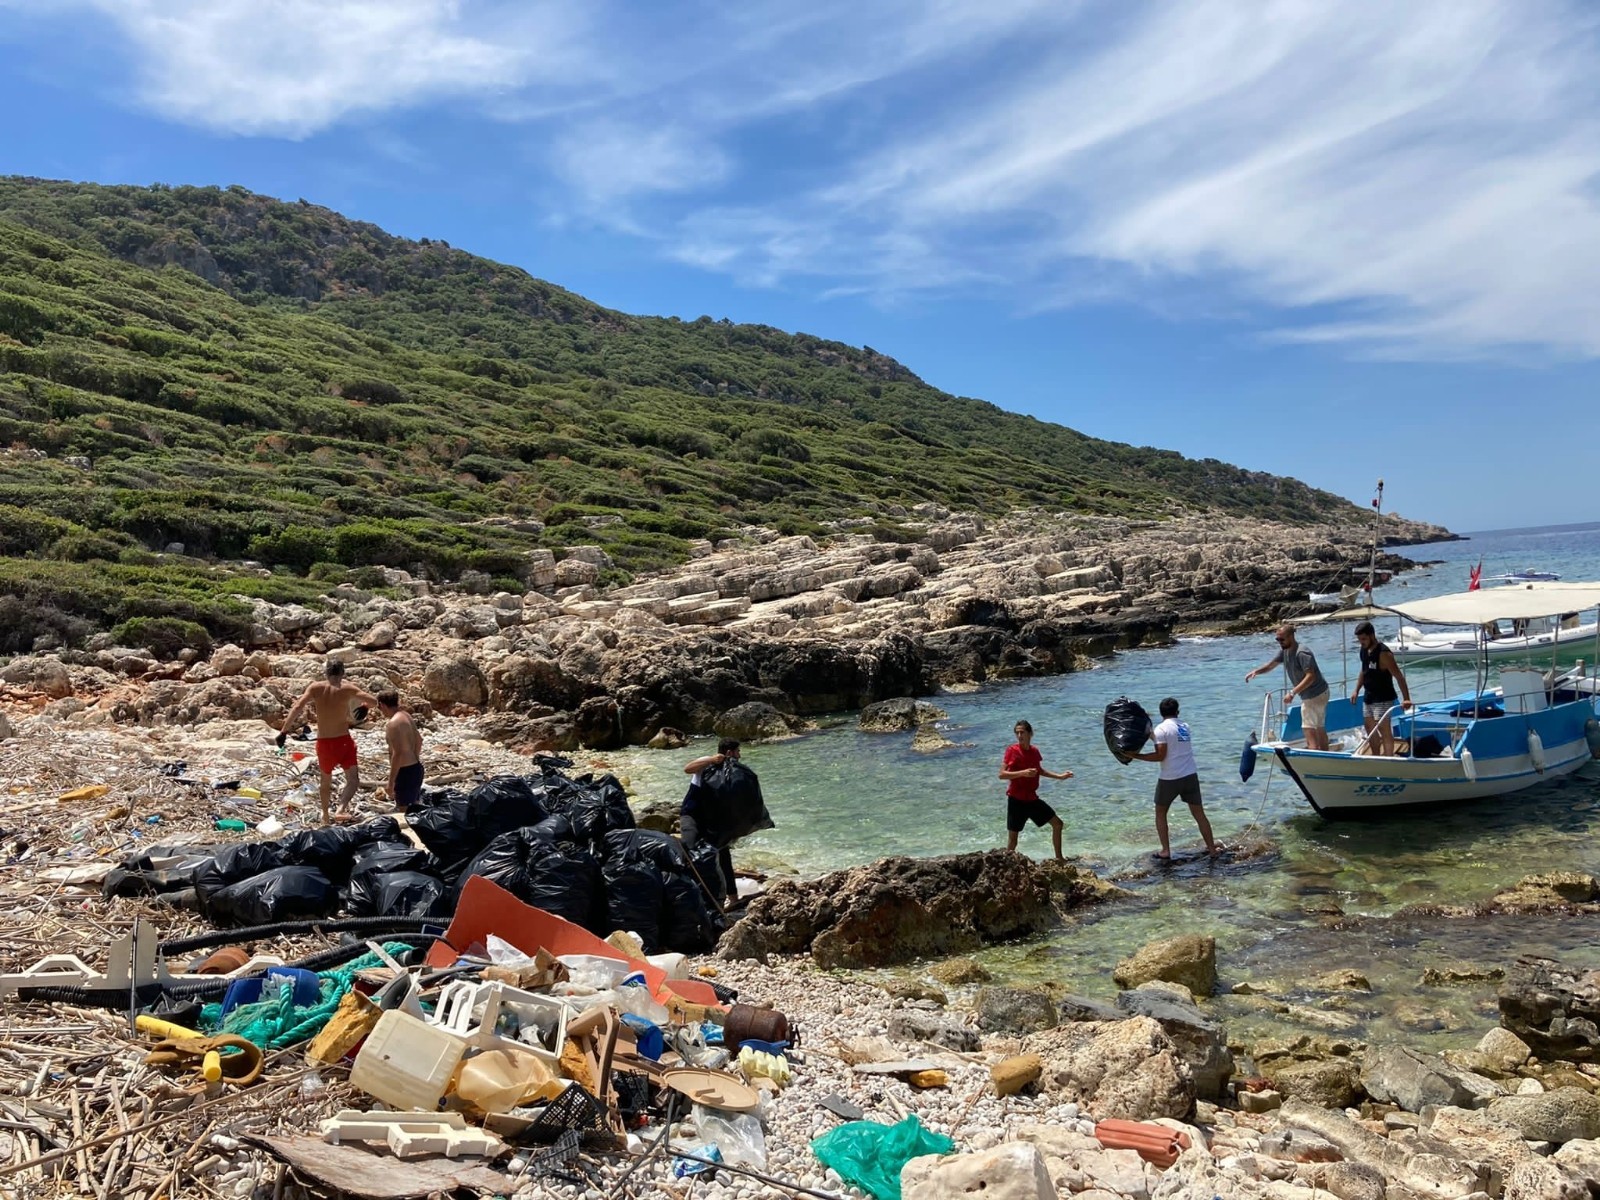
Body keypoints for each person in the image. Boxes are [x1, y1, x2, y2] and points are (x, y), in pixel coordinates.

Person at [276, 660, 378, 825]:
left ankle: (325, 817)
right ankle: (340, 809)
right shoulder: (348, 688)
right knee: (352, 779)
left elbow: (297, 707)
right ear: (342, 672)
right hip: (343, 741)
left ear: (326, 672)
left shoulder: (316, 688)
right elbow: (374, 701)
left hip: (323, 742)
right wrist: (365, 706)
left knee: (325, 781)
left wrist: (283, 732)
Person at [1129, 698, 1220, 859]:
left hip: (1170, 778)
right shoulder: (1184, 726)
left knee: (1160, 813)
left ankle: (1165, 851)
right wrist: (1153, 736)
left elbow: (1160, 755)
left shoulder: (1161, 729)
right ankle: (1212, 849)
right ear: (1177, 712)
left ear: (1160, 713)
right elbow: (1173, 743)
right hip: (1190, 775)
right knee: (1199, 814)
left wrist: (1136, 756)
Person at [1245, 623, 1330, 750]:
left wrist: (1292, 693)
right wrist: (1256, 672)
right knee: (1318, 726)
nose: (1280, 642)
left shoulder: (1302, 653)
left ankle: (1314, 752)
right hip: (1319, 692)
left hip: (1314, 694)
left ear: (1291, 636)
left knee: (1308, 727)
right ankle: (1324, 753)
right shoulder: (1284, 651)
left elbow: (1310, 676)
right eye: (1277, 639)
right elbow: (1270, 665)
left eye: (1282, 639)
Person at [997, 719, 1072, 861]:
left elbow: (1039, 771)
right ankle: (1006, 865)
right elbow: (1001, 774)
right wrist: (1022, 773)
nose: (1019, 736)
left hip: (1031, 799)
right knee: (1013, 840)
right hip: (1016, 800)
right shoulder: (1011, 751)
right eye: (1017, 733)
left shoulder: (1034, 751)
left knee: (1058, 824)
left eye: (1022, 732)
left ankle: (1059, 858)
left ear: (1030, 733)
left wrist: (1060, 776)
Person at [681, 738, 742, 906]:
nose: (740, 756)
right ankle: (690, 896)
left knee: (723, 855)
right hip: (692, 815)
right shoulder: (706, 765)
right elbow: (687, 769)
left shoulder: (731, 772)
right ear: (729, 753)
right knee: (690, 850)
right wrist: (711, 759)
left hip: (713, 819)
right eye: (738, 752)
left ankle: (733, 898)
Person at [1350, 621, 1411, 756]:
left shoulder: (1384, 654)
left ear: (1372, 635)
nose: (1361, 642)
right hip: (1369, 696)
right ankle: (1376, 755)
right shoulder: (1364, 650)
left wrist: (1406, 698)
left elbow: (1399, 677)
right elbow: (1363, 671)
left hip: (1383, 696)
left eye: (1364, 639)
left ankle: (1389, 756)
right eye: (1359, 640)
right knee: (1369, 727)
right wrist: (1356, 689)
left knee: (1383, 727)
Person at [377, 690, 424, 812]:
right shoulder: (406, 716)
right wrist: (414, 758)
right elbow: (419, 740)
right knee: (414, 811)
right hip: (416, 768)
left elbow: (397, 754)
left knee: (405, 813)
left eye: (379, 707)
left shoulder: (392, 724)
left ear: (382, 705)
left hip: (405, 773)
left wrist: (391, 782)